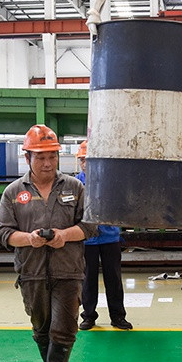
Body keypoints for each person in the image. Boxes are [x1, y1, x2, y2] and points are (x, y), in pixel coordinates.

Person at [0, 125, 97, 362]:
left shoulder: (75, 188)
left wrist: (65, 235)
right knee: (41, 329)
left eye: (52, 156)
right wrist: (28, 239)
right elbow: (3, 232)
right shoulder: (13, 193)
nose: (48, 163)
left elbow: (90, 226)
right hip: (31, 272)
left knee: (64, 329)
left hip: (68, 270)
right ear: (27, 157)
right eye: (40, 157)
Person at [75, 141, 132, 330]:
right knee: (88, 279)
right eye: (82, 160)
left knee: (113, 279)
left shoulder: (110, 181)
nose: (85, 164)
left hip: (109, 237)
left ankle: (118, 316)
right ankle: (88, 316)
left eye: (88, 160)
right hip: (87, 239)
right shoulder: (75, 184)